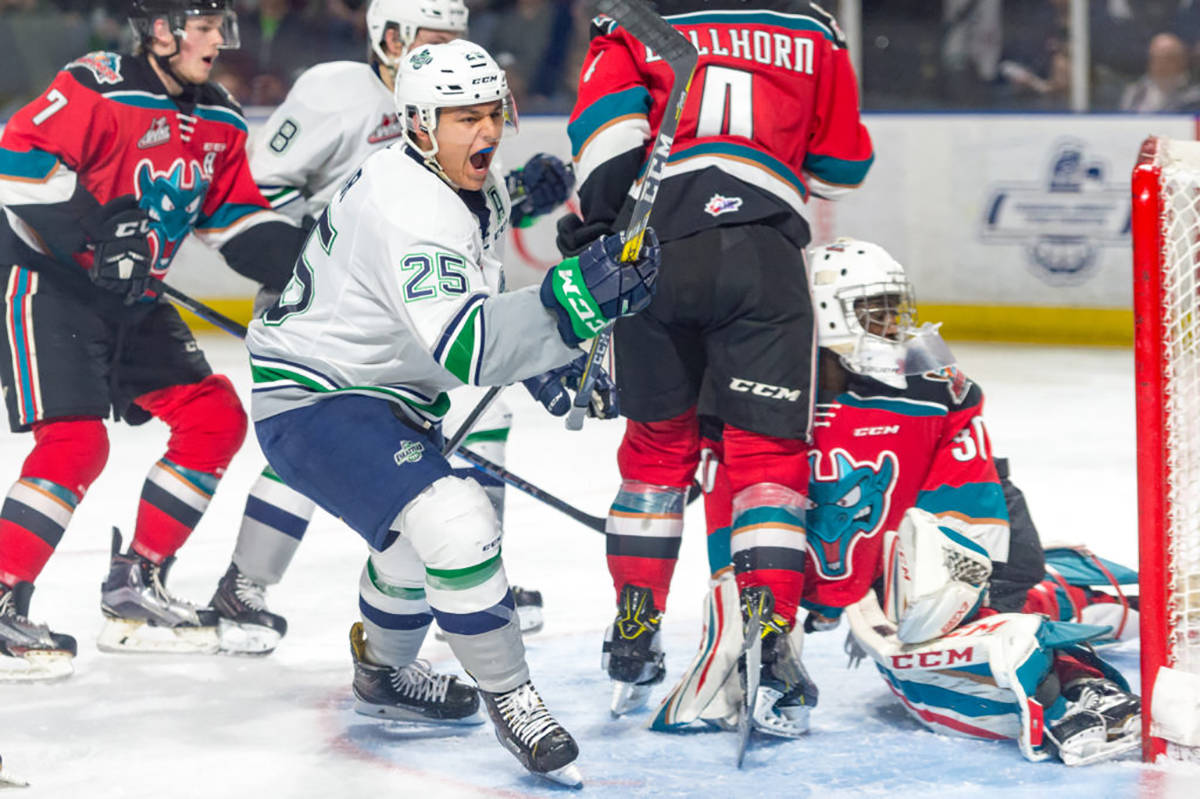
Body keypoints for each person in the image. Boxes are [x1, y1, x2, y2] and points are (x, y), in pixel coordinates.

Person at [244, 40, 659, 784]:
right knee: (458, 519)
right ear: (418, 124)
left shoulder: (456, 180)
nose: (486, 132)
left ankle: (383, 675)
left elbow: (483, 271)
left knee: (410, 547)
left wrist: (549, 347)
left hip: (377, 392)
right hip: (315, 396)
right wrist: (567, 310)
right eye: (463, 117)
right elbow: (468, 344)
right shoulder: (410, 208)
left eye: (491, 112)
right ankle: (516, 698)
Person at [655, 238, 1141, 766]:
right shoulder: (756, 403)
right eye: (874, 310)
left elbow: (967, 519)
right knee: (739, 649)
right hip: (861, 564)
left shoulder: (929, 392)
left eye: (894, 308)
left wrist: (936, 606)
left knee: (950, 650)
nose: (893, 325)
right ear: (825, 314)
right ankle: (1081, 593)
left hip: (955, 548)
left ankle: (1101, 616)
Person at [207, 0, 576, 655]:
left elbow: (451, 211)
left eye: (456, 38)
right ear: (390, 35)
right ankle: (246, 583)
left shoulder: (451, 111)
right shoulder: (337, 89)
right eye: (432, 37)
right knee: (321, 439)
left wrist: (516, 192)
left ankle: (474, 568)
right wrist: (319, 253)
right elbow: (255, 191)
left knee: (482, 423)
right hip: (334, 307)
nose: (446, 51)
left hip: (417, 319)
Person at [562, 0, 874, 725]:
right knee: (767, 455)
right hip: (763, 256)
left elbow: (607, 142)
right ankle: (768, 626)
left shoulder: (635, 17)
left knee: (655, 450)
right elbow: (842, 166)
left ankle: (636, 626)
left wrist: (600, 230)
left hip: (656, 251)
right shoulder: (815, 26)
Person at [0, 0, 306, 681]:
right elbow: (13, 162)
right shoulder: (98, 83)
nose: (217, 41)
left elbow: (236, 224)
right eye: (202, 26)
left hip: (130, 298)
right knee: (77, 441)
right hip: (47, 283)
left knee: (214, 415)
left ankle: (135, 585)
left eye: (220, 26)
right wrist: (97, 227)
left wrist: (316, 258)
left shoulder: (220, 117)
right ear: (159, 30)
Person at [1119, 32, 1200, 112]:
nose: (1161, 64)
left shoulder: (1194, 97)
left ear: (1182, 61)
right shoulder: (1135, 94)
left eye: (1168, 58)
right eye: (1156, 57)